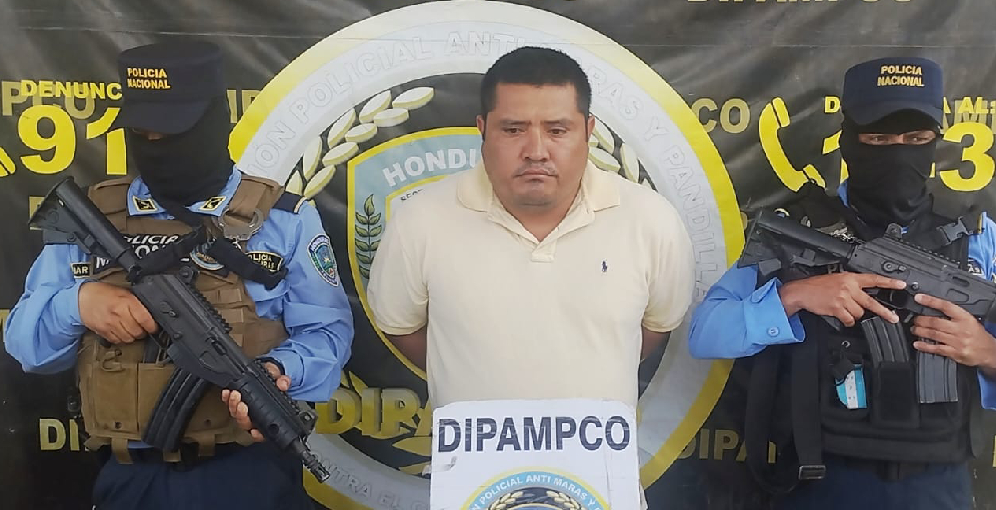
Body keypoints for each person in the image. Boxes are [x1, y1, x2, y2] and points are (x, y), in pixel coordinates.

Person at [4, 41, 353, 510]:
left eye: (173, 133)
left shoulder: (282, 220)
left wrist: (277, 373)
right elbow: (25, 346)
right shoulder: (93, 217)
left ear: (214, 121)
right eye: (142, 133)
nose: (156, 146)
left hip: (249, 474)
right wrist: (78, 304)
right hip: (133, 479)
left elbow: (329, 335)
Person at [366, 46, 696, 508]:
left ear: (589, 132)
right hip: (472, 490)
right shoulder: (420, 221)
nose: (536, 150)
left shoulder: (651, 221)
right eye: (513, 129)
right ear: (482, 130)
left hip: (601, 490)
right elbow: (402, 327)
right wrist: (469, 366)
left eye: (557, 130)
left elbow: (655, 327)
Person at [688, 56, 996, 509]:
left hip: (938, 484)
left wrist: (986, 352)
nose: (898, 152)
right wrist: (793, 297)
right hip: (821, 479)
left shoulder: (978, 239)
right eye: (878, 139)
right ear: (848, 140)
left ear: (936, 141)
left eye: (916, 139)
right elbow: (705, 333)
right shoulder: (800, 233)